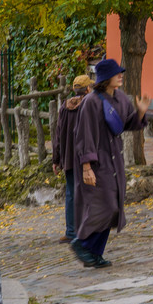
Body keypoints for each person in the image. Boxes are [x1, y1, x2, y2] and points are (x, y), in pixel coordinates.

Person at [70, 58, 148, 268]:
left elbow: (127, 123)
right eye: (117, 73)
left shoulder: (120, 98)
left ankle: (94, 253)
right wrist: (87, 167)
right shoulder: (91, 102)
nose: (121, 75)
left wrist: (140, 112)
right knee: (104, 206)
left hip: (114, 159)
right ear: (105, 78)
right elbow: (84, 135)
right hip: (97, 162)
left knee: (114, 207)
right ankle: (82, 243)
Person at [51, 74, 90, 244]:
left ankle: (71, 231)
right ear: (87, 89)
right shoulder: (90, 106)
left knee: (71, 194)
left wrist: (56, 159)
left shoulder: (64, 107)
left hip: (68, 158)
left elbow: (58, 135)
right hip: (86, 157)